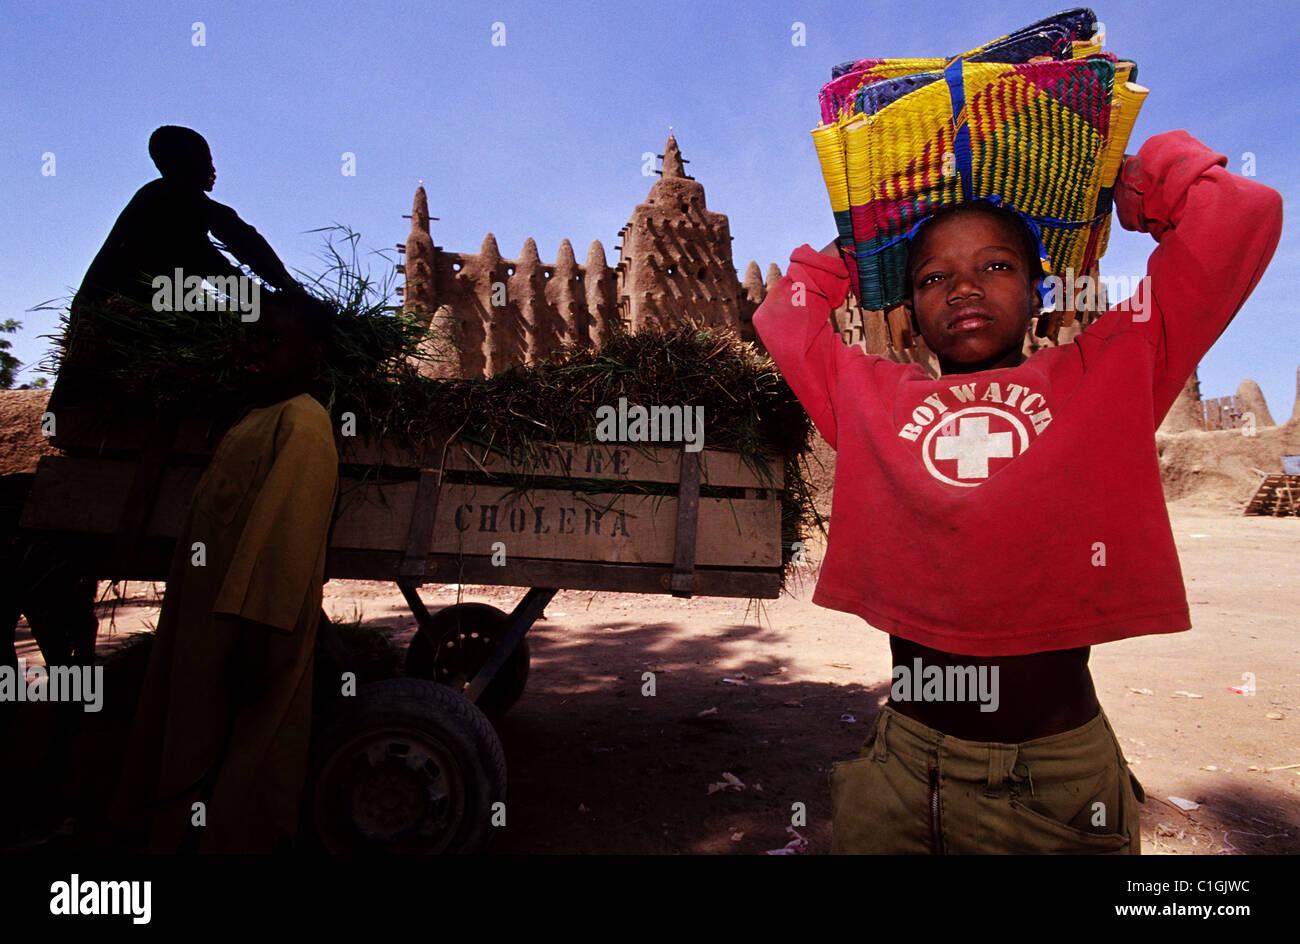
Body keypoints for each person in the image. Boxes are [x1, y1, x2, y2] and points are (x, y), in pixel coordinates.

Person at [752, 129, 1282, 853]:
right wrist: (861, 241)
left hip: (1051, 781)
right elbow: (785, 315)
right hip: (903, 767)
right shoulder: (872, 400)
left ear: (1040, 292)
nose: (964, 286)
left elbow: (1242, 215)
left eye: (996, 266)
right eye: (934, 277)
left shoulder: (1107, 376)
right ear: (906, 310)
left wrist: (1122, 180)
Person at [109, 291, 338, 854]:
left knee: (236, 770)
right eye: (252, 338)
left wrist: (260, 641)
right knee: (190, 751)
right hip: (210, 639)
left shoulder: (304, 422)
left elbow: (286, 543)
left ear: (312, 354)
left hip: (245, 640)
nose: (254, 350)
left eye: (273, 341)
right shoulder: (257, 418)